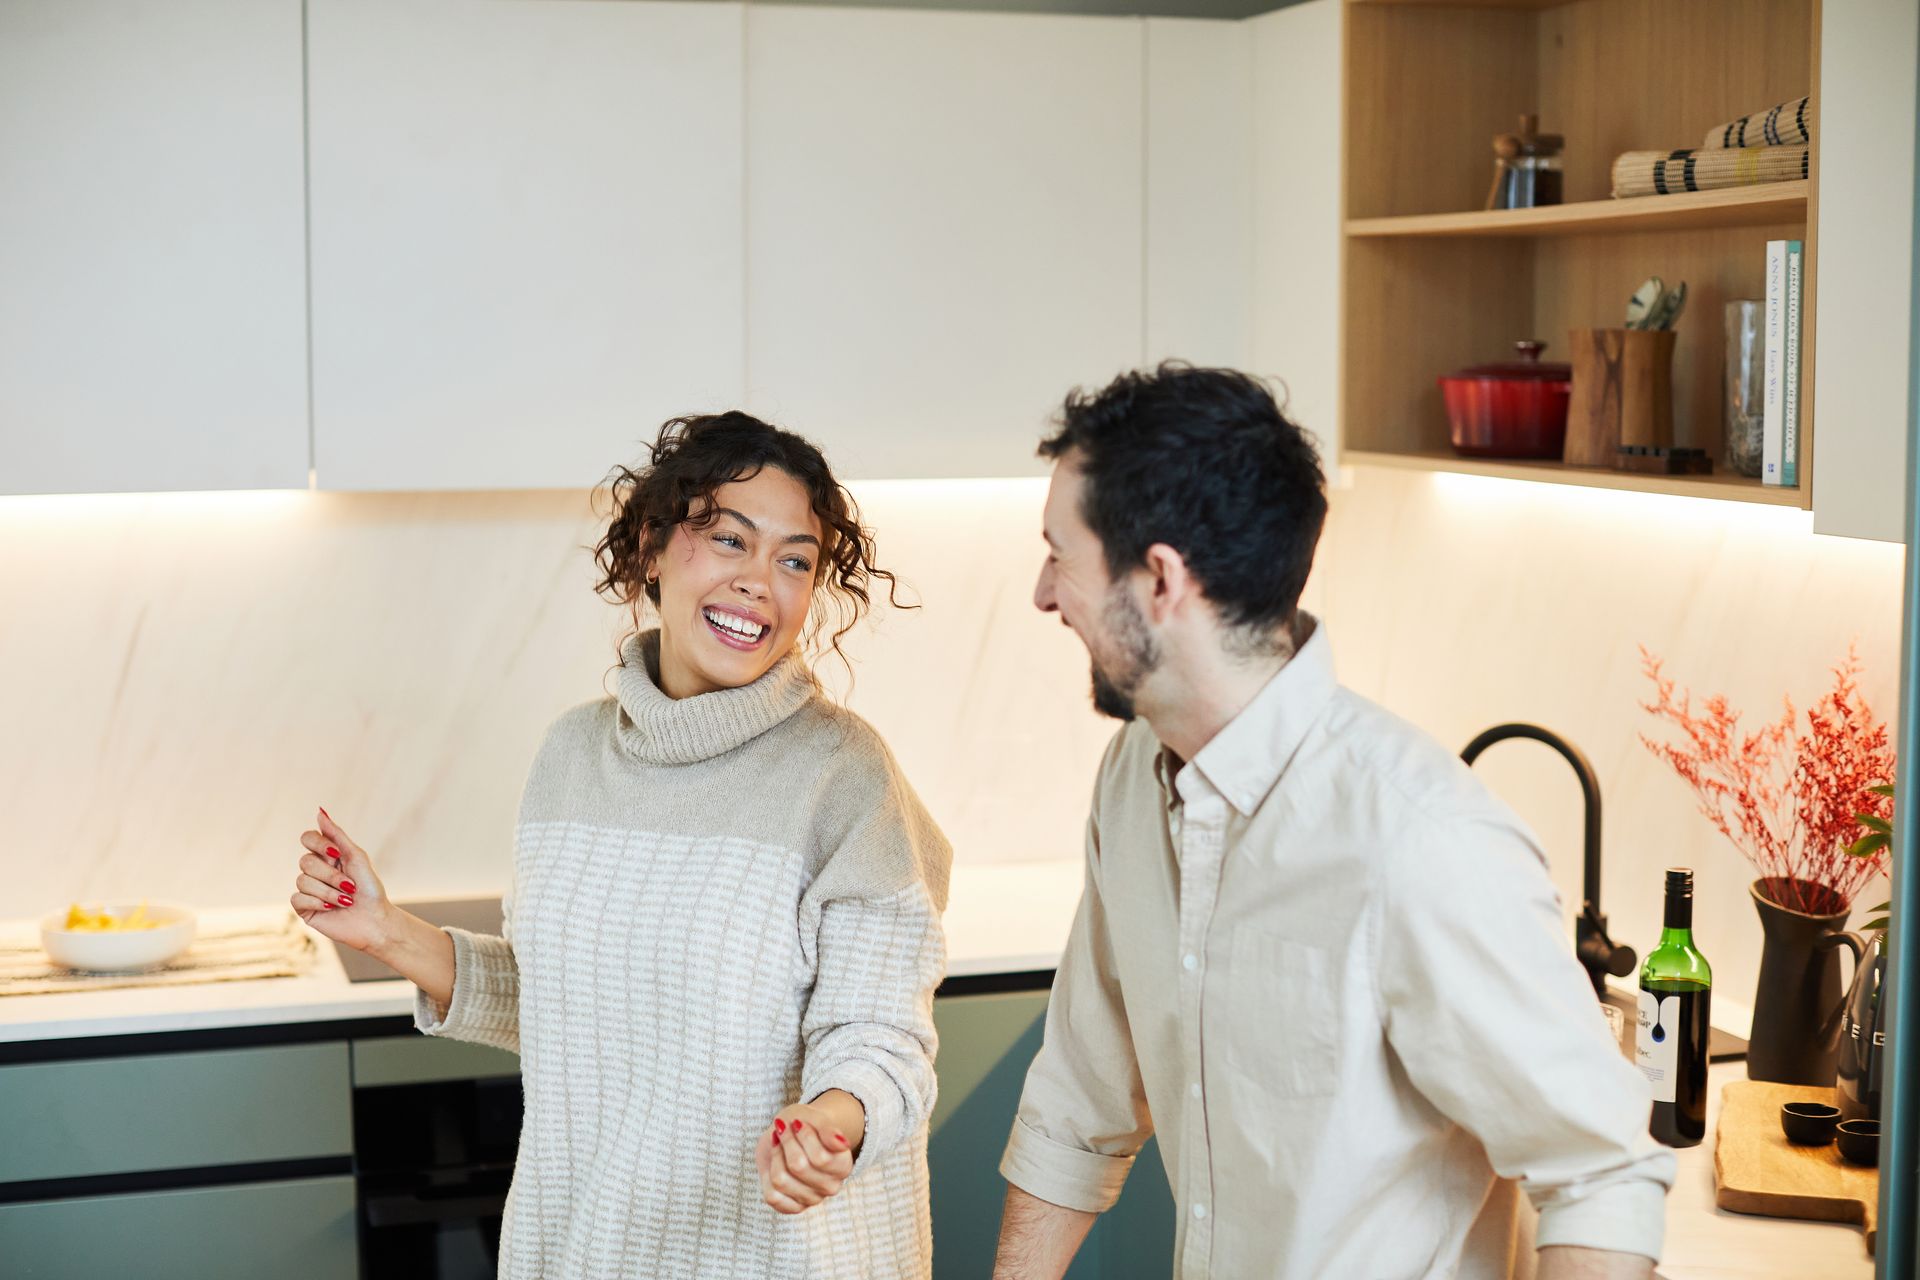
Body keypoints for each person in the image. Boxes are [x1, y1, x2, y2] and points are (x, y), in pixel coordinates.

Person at [992, 364, 1674, 1279]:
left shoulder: (1419, 840)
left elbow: (1601, 1172)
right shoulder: (1134, 775)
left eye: (1060, 554)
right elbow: (1081, 1099)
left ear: (1159, 579)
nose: (1043, 592)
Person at [290, 412, 952, 1279]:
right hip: (588, 1245)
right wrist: (389, 934)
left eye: (795, 560)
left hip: (773, 1256)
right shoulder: (572, 755)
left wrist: (831, 1123)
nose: (761, 582)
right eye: (728, 540)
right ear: (651, 549)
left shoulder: (845, 778)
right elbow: (579, 1012)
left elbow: (882, 1038)